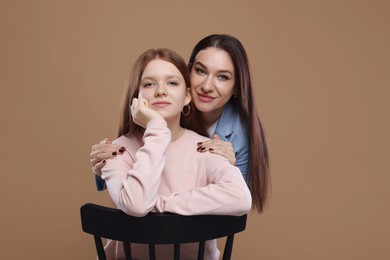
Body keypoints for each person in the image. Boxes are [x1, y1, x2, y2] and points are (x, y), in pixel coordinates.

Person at [90, 34, 270, 213]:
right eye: (200, 71)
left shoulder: (236, 136)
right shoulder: (165, 109)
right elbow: (131, 192)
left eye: (222, 77)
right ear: (188, 74)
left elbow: (237, 200)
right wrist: (104, 169)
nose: (207, 86)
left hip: (192, 232)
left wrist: (157, 206)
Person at [100, 48, 251, 259]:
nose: (161, 91)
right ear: (136, 98)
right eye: (149, 84)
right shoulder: (117, 150)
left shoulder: (206, 148)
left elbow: (241, 198)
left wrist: (161, 204)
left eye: (172, 83)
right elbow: (136, 204)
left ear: (187, 95)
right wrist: (157, 129)